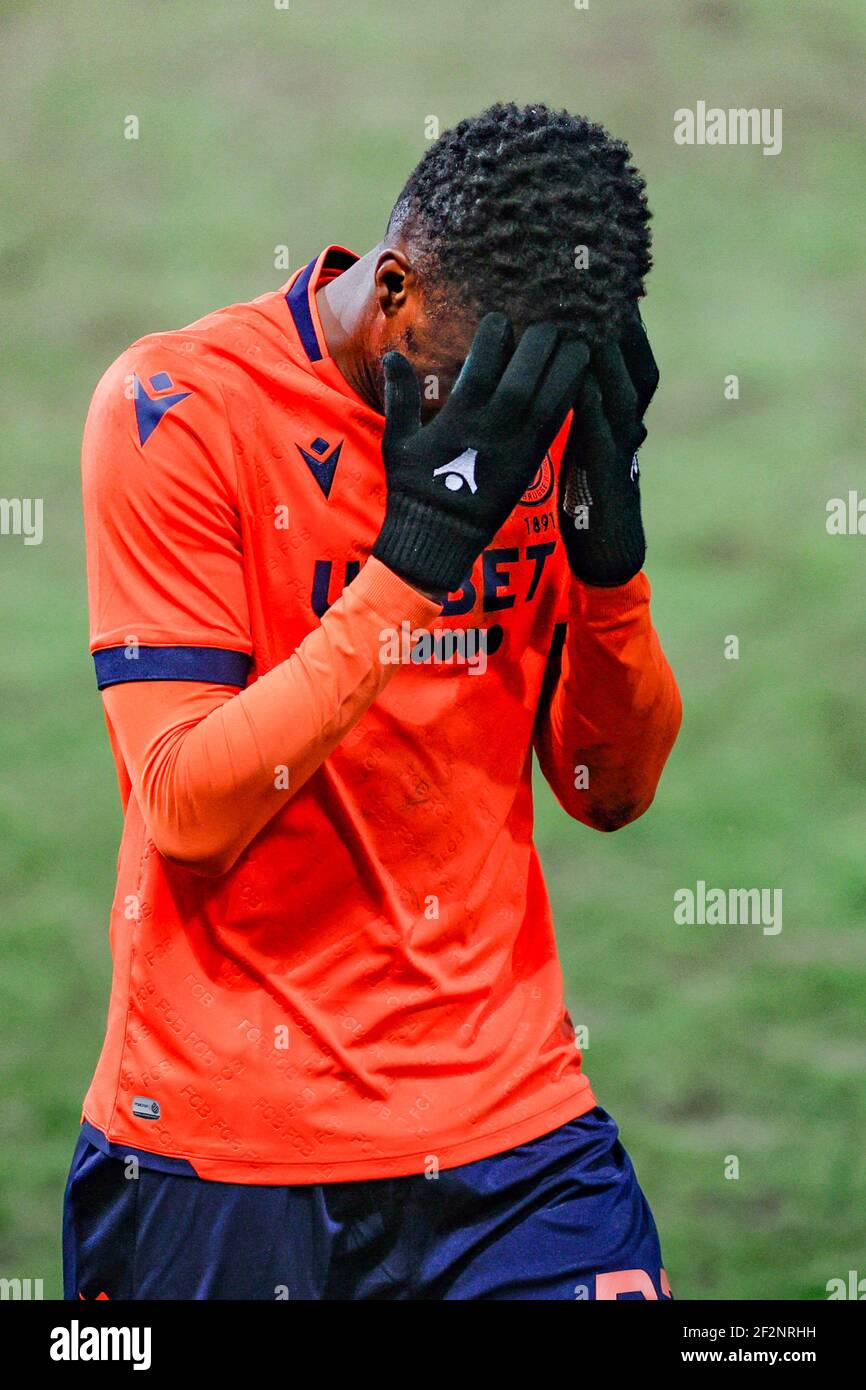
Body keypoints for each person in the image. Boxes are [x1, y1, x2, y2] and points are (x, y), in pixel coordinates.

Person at [65, 101, 681, 1300]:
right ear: (390, 289)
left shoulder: (530, 410)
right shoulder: (176, 410)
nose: (495, 422)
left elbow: (607, 791)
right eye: (462, 380)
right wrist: (415, 557)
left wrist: (609, 572)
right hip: (225, 1151)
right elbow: (185, 809)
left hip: (513, 1133)